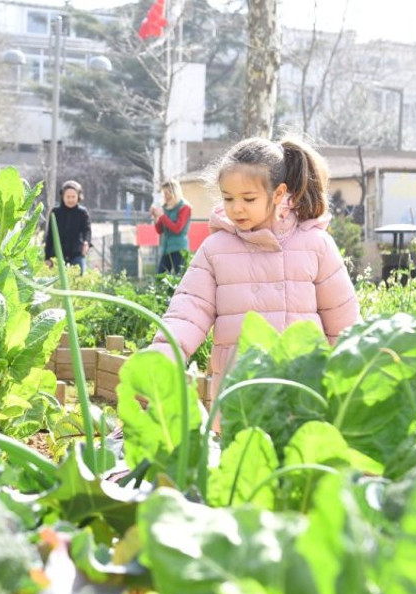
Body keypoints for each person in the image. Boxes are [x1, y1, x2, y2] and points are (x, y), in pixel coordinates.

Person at [147, 136, 359, 407]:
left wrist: (348, 381)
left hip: (303, 391)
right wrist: (162, 357)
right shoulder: (216, 249)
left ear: (279, 193)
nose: (236, 208)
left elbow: (343, 321)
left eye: (248, 198)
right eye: (228, 198)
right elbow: (188, 312)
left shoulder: (315, 244)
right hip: (239, 392)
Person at [44, 180, 92, 273]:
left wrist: (86, 242)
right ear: (62, 196)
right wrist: (47, 257)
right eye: (68, 197)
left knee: (79, 278)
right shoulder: (55, 212)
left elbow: (87, 230)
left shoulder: (82, 213)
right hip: (57, 254)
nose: (70, 200)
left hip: (76, 252)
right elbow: (50, 235)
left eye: (73, 197)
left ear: (78, 197)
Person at [149, 178, 192, 274]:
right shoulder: (165, 207)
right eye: (164, 193)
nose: (165, 196)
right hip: (166, 248)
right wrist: (156, 217)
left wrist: (162, 216)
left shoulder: (184, 207)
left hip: (179, 248)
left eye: (167, 193)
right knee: (160, 277)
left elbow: (177, 229)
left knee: (179, 277)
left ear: (174, 192)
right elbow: (160, 230)